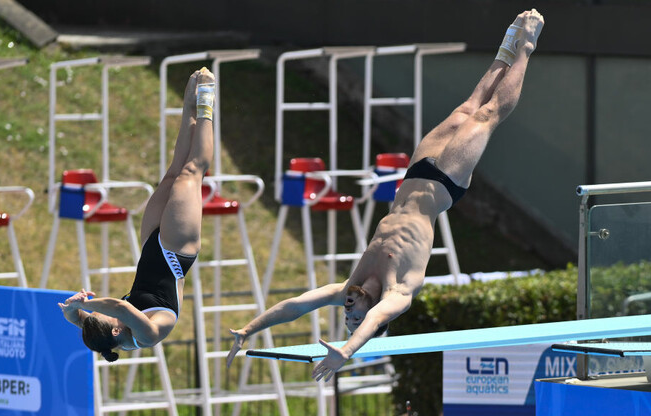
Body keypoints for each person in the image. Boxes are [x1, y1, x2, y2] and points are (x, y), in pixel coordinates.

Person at [226, 9, 545, 381]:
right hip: (446, 185)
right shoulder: (397, 294)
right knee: (487, 116)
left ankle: (506, 44)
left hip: (415, 174)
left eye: (347, 317)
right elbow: (376, 318)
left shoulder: (348, 286)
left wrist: (249, 329)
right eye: (352, 318)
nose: (348, 311)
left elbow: (295, 306)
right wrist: (346, 351)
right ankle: (526, 46)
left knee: (467, 108)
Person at [58, 67, 216, 361]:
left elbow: (79, 319)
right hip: (175, 252)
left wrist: (71, 309)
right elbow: (121, 308)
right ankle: (207, 100)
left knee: (171, 175)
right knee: (192, 172)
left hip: (151, 245)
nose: (98, 313)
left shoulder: (105, 329)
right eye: (100, 316)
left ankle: (188, 107)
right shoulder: (146, 335)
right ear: (116, 333)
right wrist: (91, 304)